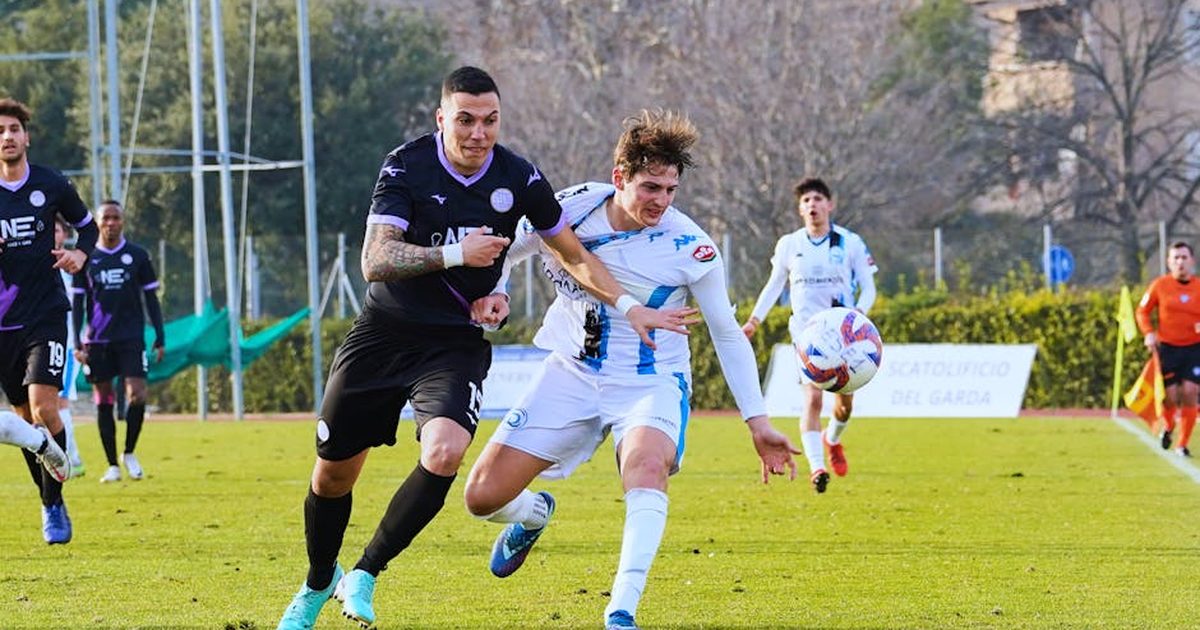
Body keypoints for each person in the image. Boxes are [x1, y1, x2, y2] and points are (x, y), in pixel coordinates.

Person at [274, 67, 690, 630]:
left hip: (453, 342)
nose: (478, 133)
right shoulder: (406, 165)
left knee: (445, 452)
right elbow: (375, 260)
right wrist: (455, 255)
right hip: (383, 334)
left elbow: (570, 252)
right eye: (465, 120)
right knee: (332, 477)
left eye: (490, 120)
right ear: (441, 118)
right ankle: (319, 579)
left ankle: (367, 571)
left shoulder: (520, 176)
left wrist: (626, 304)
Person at [462, 109, 801, 630]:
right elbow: (506, 251)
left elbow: (727, 333)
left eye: (671, 189)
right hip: (571, 371)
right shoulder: (572, 208)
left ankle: (621, 609)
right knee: (481, 497)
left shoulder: (690, 247)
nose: (662, 201)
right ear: (619, 177)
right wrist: (499, 291)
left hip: (650, 382)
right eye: (650, 187)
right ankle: (534, 515)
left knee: (644, 466)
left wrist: (758, 422)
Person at [0, 97, 98, 544]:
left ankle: (53, 504)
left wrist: (80, 254)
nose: (7, 137)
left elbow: (88, 228)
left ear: (26, 136)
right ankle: (49, 499)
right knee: (23, 422)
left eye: (13, 129)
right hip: (3, 322)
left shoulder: (51, 183)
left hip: (45, 314)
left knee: (43, 408)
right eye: (0, 131)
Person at [741, 177, 877, 494]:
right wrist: (753, 321)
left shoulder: (849, 242)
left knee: (844, 407)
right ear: (800, 209)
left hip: (845, 339)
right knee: (813, 398)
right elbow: (774, 285)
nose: (812, 204)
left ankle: (832, 439)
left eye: (817, 199)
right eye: (806, 201)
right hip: (808, 337)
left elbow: (869, 287)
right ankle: (817, 468)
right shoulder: (789, 244)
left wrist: (858, 316)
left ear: (830, 205)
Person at [72, 199, 165, 483]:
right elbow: (78, 304)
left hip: (131, 338)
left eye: (116, 218)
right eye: (106, 218)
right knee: (104, 399)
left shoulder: (137, 255)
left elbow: (151, 298)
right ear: (98, 223)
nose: (111, 223)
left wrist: (160, 335)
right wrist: (76, 341)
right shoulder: (86, 258)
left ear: (123, 221)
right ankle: (112, 464)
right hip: (98, 341)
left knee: (137, 394)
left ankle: (129, 453)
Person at [1136, 241, 1200, 458]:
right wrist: (1148, 333)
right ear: (1169, 262)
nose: (1180, 262)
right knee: (1170, 397)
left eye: (1184, 257)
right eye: (1176, 258)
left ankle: (1182, 444)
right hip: (1168, 349)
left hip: (1194, 349)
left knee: (1190, 392)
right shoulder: (1160, 285)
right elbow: (1142, 311)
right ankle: (1169, 426)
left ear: (1192, 261)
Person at [54, 217, 85, 476]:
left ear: (65, 234)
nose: (53, 234)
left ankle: (71, 460)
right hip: (39, 343)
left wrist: (79, 342)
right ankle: (65, 458)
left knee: (59, 402)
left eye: (56, 229)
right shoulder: (34, 264)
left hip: (65, 346)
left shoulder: (72, 268)